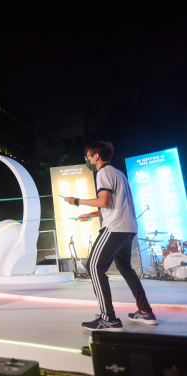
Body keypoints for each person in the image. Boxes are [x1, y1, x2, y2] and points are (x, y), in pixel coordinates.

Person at [64, 141, 157, 331]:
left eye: (88, 156)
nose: (88, 159)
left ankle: (109, 318)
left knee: (93, 266)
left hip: (115, 228)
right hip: (128, 227)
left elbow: (104, 201)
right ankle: (146, 312)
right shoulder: (118, 173)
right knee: (125, 269)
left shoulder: (103, 172)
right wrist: (93, 214)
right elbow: (114, 205)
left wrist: (76, 201)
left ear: (96, 156)